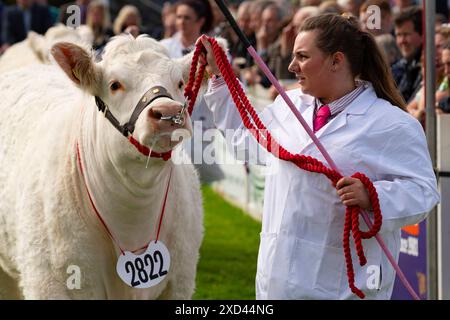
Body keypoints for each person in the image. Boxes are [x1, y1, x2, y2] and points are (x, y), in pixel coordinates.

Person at [200, 13, 439, 299]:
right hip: (276, 282)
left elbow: (424, 192)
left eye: (302, 56)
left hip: (343, 287)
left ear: (337, 61)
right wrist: (219, 75)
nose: (292, 66)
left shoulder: (392, 124)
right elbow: (245, 143)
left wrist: (373, 195)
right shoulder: (288, 105)